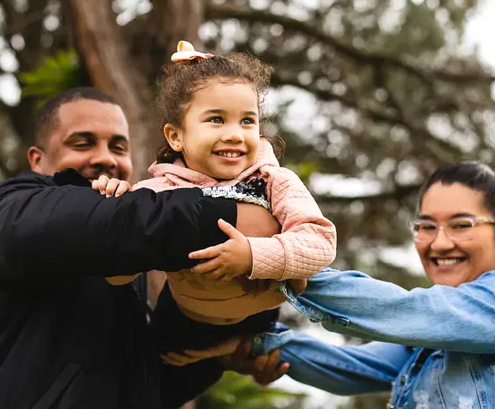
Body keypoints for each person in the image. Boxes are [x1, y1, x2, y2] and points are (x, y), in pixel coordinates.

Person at [0, 87, 289, 409]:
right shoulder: (1, 208)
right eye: (82, 143)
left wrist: (215, 351)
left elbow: (143, 386)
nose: (105, 158)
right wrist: (227, 214)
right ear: (37, 159)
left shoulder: (128, 260)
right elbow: (88, 225)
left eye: (119, 147)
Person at [192, 161, 495, 408]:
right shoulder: (427, 344)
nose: (439, 243)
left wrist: (276, 260)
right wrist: (253, 347)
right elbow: (353, 367)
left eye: (461, 225)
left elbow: (412, 311)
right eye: (426, 226)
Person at [93, 41, 336, 355]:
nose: (235, 133)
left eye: (247, 121)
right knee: (159, 357)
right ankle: (212, 354)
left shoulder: (273, 180)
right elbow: (116, 276)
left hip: (260, 311)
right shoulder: (159, 191)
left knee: (327, 287)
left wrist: (252, 255)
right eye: (217, 120)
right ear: (176, 136)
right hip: (187, 318)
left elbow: (321, 241)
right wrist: (117, 209)